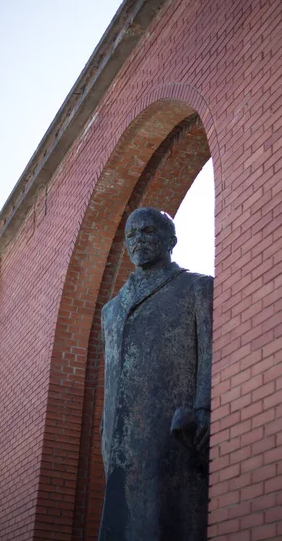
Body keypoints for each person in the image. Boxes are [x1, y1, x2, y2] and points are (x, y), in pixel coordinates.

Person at [98, 207, 213, 541]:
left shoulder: (197, 288)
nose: (138, 241)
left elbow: (209, 351)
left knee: (167, 521)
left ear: (170, 240)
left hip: (173, 427)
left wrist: (204, 408)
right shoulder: (111, 309)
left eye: (147, 232)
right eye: (131, 235)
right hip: (119, 440)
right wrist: (106, 434)